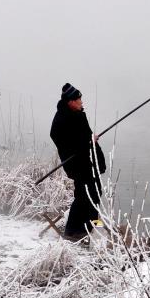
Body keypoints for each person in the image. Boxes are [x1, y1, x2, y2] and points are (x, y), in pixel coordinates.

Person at [50, 83, 106, 241]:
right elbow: (59, 138)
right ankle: (72, 233)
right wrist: (87, 142)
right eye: (78, 99)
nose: (81, 101)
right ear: (70, 101)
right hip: (77, 164)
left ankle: (91, 227)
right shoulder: (62, 118)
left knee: (95, 192)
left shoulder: (79, 114)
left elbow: (85, 135)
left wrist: (91, 141)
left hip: (89, 160)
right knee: (83, 196)